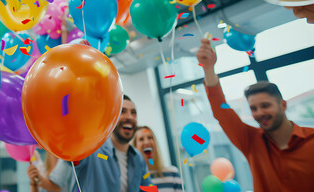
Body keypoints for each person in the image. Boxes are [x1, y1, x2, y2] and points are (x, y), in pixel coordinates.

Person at [196, 38, 314, 191]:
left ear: (283, 105)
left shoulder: (311, 140)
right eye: (254, 108)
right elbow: (222, 112)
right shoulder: (251, 141)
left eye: (265, 106)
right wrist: (208, 68)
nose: (259, 113)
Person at [38, 94, 153, 192]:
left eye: (133, 113)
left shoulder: (138, 158)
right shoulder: (90, 149)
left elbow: (147, 188)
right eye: (122, 111)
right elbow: (56, 182)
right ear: (111, 116)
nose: (129, 117)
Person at [132, 126, 183, 192]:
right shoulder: (133, 180)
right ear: (135, 147)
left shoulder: (173, 173)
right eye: (141, 139)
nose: (147, 142)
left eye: (150, 137)